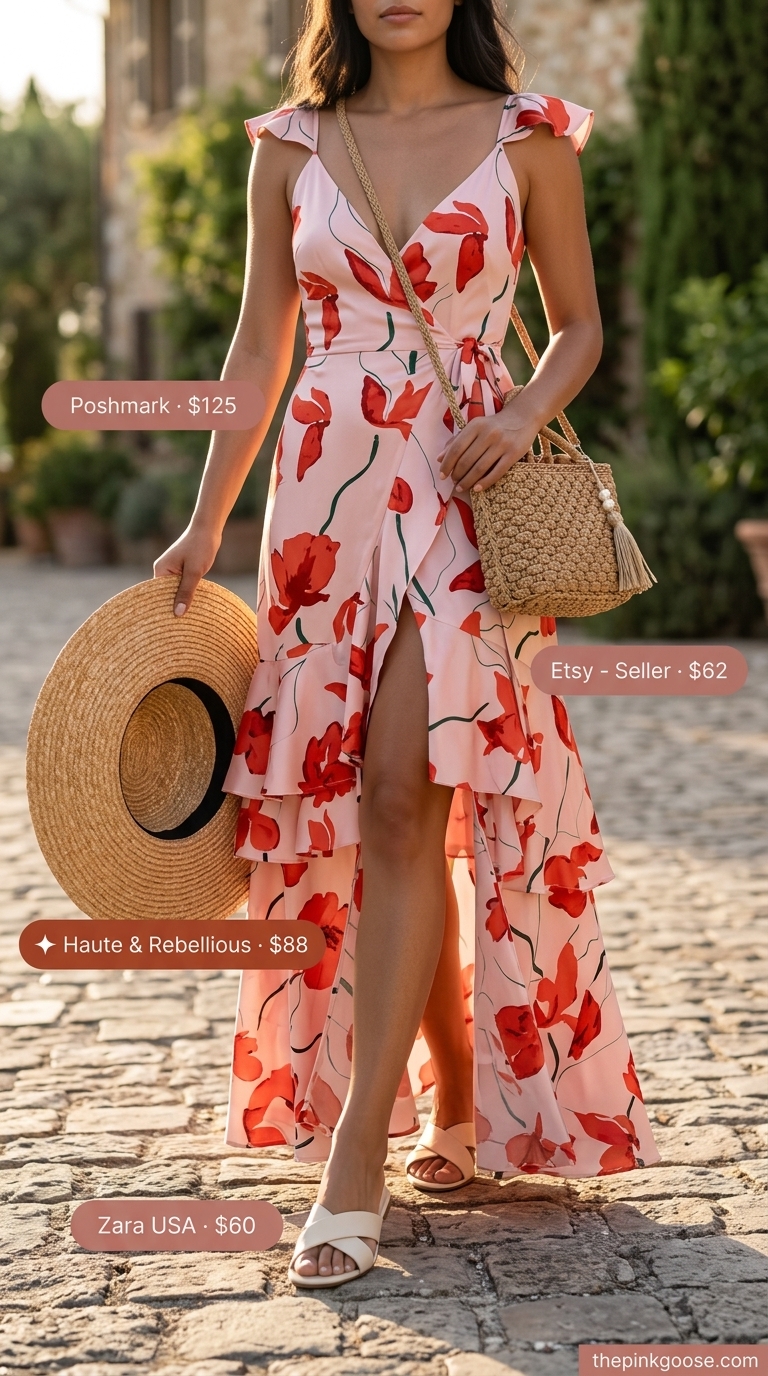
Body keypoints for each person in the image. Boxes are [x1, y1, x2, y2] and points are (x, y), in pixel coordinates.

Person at [154, 0, 659, 1288]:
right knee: (382, 815)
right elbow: (261, 343)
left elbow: (580, 324)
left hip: (464, 487)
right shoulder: (291, 144)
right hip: (326, 494)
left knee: (400, 792)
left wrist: (527, 407)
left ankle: (356, 1158)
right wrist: (203, 525)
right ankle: (448, 1105)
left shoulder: (530, 137)